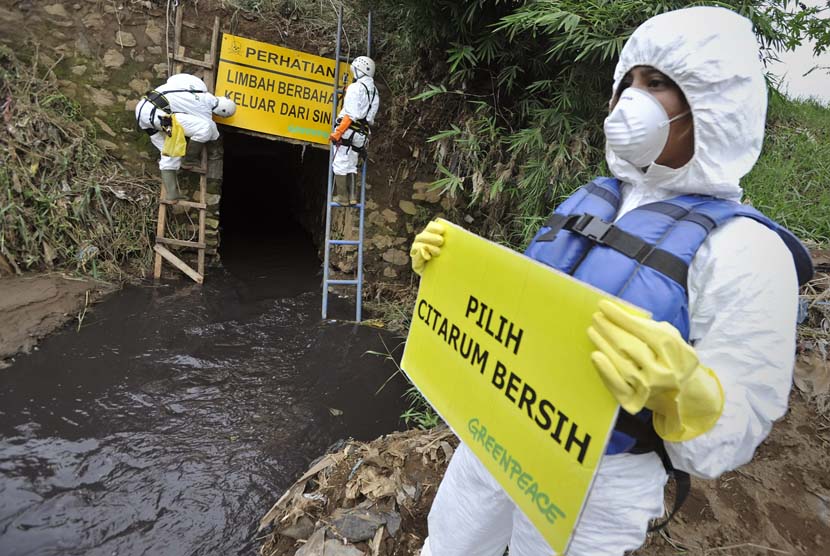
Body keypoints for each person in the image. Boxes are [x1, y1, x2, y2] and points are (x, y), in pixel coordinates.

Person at [409, 6, 813, 555]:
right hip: (496, 428)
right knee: (449, 543)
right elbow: (533, 295)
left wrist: (684, 393)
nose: (630, 99)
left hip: (597, 480)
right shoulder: (596, 198)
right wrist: (453, 272)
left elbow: (745, 413)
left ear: (712, 105)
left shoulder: (746, 249)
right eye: (628, 82)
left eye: (658, 83)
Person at [135, 73, 236, 202]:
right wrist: (216, 142)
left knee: (170, 151)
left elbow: (173, 79)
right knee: (203, 129)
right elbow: (209, 128)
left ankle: (172, 194)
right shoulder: (203, 106)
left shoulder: (197, 88)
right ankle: (189, 160)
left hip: (143, 110)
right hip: (157, 115)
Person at [328, 56, 380, 205]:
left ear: (359, 70)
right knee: (352, 162)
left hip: (348, 130)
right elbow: (370, 118)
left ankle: (342, 197)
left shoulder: (355, 87)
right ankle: (352, 197)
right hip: (362, 133)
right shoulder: (374, 92)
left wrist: (338, 132)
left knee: (339, 163)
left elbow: (351, 114)